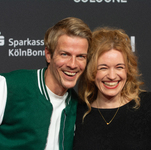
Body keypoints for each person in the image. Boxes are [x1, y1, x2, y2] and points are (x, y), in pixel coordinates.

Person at [73, 27, 151, 150]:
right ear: (91, 70)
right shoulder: (76, 112)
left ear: (128, 69)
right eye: (103, 68)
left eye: (119, 67)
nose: (112, 76)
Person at [0, 17, 92, 150]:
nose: (73, 64)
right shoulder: (8, 86)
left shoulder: (79, 107)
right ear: (48, 54)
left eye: (80, 56)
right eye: (65, 54)